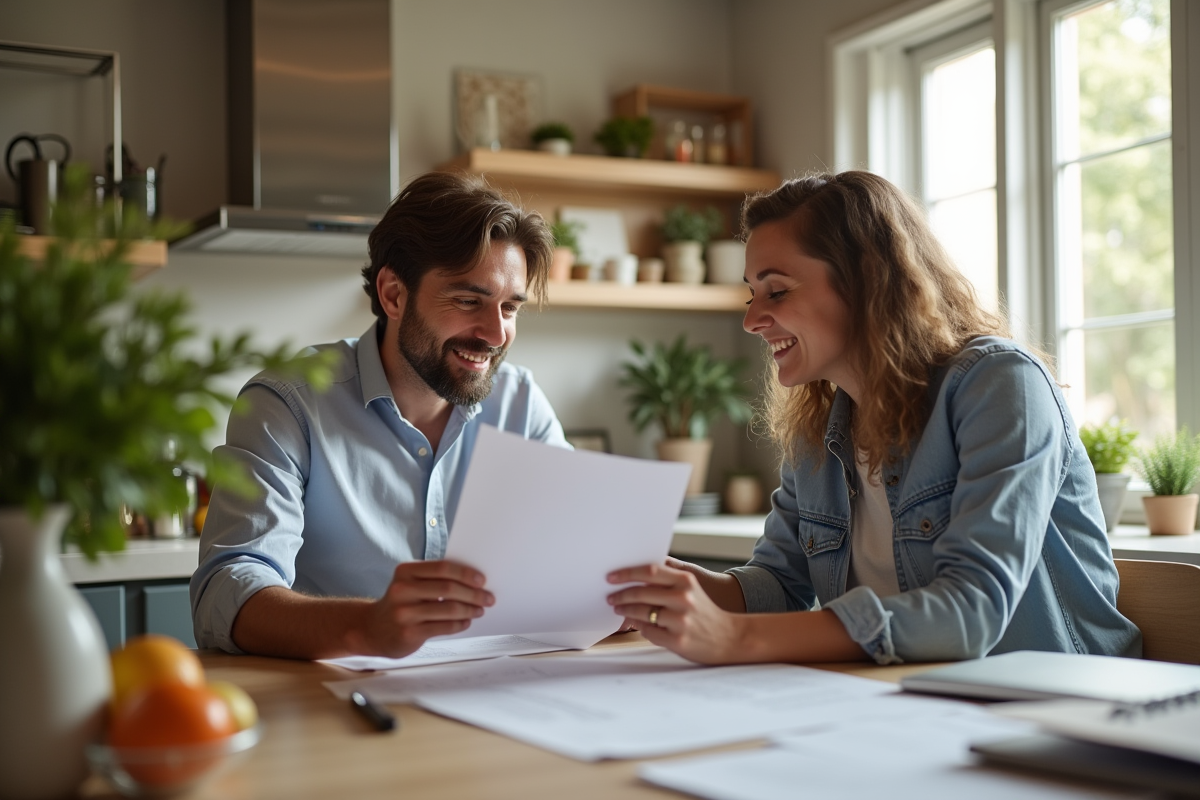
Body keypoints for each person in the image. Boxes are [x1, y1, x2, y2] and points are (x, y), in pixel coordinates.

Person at [608, 171, 1141, 665]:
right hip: (910, 701)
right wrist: (673, 590)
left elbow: (971, 612)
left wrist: (735, 638)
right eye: (752, 294)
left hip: (1061, 710)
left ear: (866, 281)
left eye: (777, 291)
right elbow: (779, 582)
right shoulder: (818, 424)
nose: (751, 319)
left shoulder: (1000, 385)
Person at [191, 171, 569, 659]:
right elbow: (225, 592)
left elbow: (575, 554)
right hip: (332, 709)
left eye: (510, 308)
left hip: (490, 697)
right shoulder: (287, 403)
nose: (495, 334)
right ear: (393, 294)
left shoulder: (522, 405)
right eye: (468, 300)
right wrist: (367, 627)